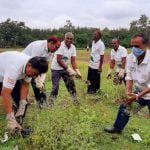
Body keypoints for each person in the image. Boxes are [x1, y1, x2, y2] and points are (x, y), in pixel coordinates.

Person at [104, 33, 150, 133]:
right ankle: (117, 128)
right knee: (125, 106)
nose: (134, 49)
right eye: (132, 46)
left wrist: (137, 96)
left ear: (146, 45)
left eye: (137, 46)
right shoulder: (131, 57)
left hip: (146, 93)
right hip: (138, 92)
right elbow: (129, 76)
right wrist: (128, 92)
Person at [0, 51, 48, 134]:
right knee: (6, 96)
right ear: (28, 65)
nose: (34, 76)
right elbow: (6, 94)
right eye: (34, 73)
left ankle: (17, 128)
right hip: (2, 73)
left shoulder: (30, 68)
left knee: (22, 102)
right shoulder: (14, 68)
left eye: (37, 75)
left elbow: (25, 85)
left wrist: (22, 103)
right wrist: (10, 118)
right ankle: (11, 123)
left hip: (7, 73)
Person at [22, 36, 60, 108]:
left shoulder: (52, 51)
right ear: (51, 43)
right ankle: (22, 102)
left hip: (34, 67)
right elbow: (33, 66)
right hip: (25, 65)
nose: (57, 50)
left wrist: (42, 80)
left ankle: (42, 103)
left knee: (41, 86)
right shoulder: (38, 47)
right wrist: (38, 81)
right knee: (24, 85)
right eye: (56, 47)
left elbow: (45, 66)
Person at [49, 32, 82, 105]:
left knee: (71, 85)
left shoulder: (73, 47)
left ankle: (75, 100)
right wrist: (69, 69)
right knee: (55, 87)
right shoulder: (60, 45)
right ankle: (51, 103)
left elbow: (73, 61)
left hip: (65, 69)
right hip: (56, 69)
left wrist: (77, 71)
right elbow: (59, 60)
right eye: (67, 38)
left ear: (73, 40)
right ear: (64, 38)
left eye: (71, 39)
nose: (69, 40)